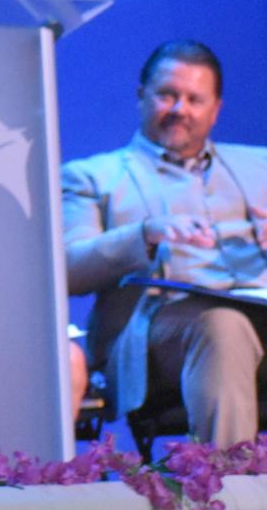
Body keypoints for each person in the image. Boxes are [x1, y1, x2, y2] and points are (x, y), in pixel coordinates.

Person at [63, 40, 267, 446]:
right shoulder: (92, 177)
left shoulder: (258, 165)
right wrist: (145, 234)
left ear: (216, 109)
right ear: (142, 97)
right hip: (153, 334)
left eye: (195, 99)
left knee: (233, 325)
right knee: (223, 326)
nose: (180, 110)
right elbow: (67, 269)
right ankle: (231, 495)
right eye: (168, 95)